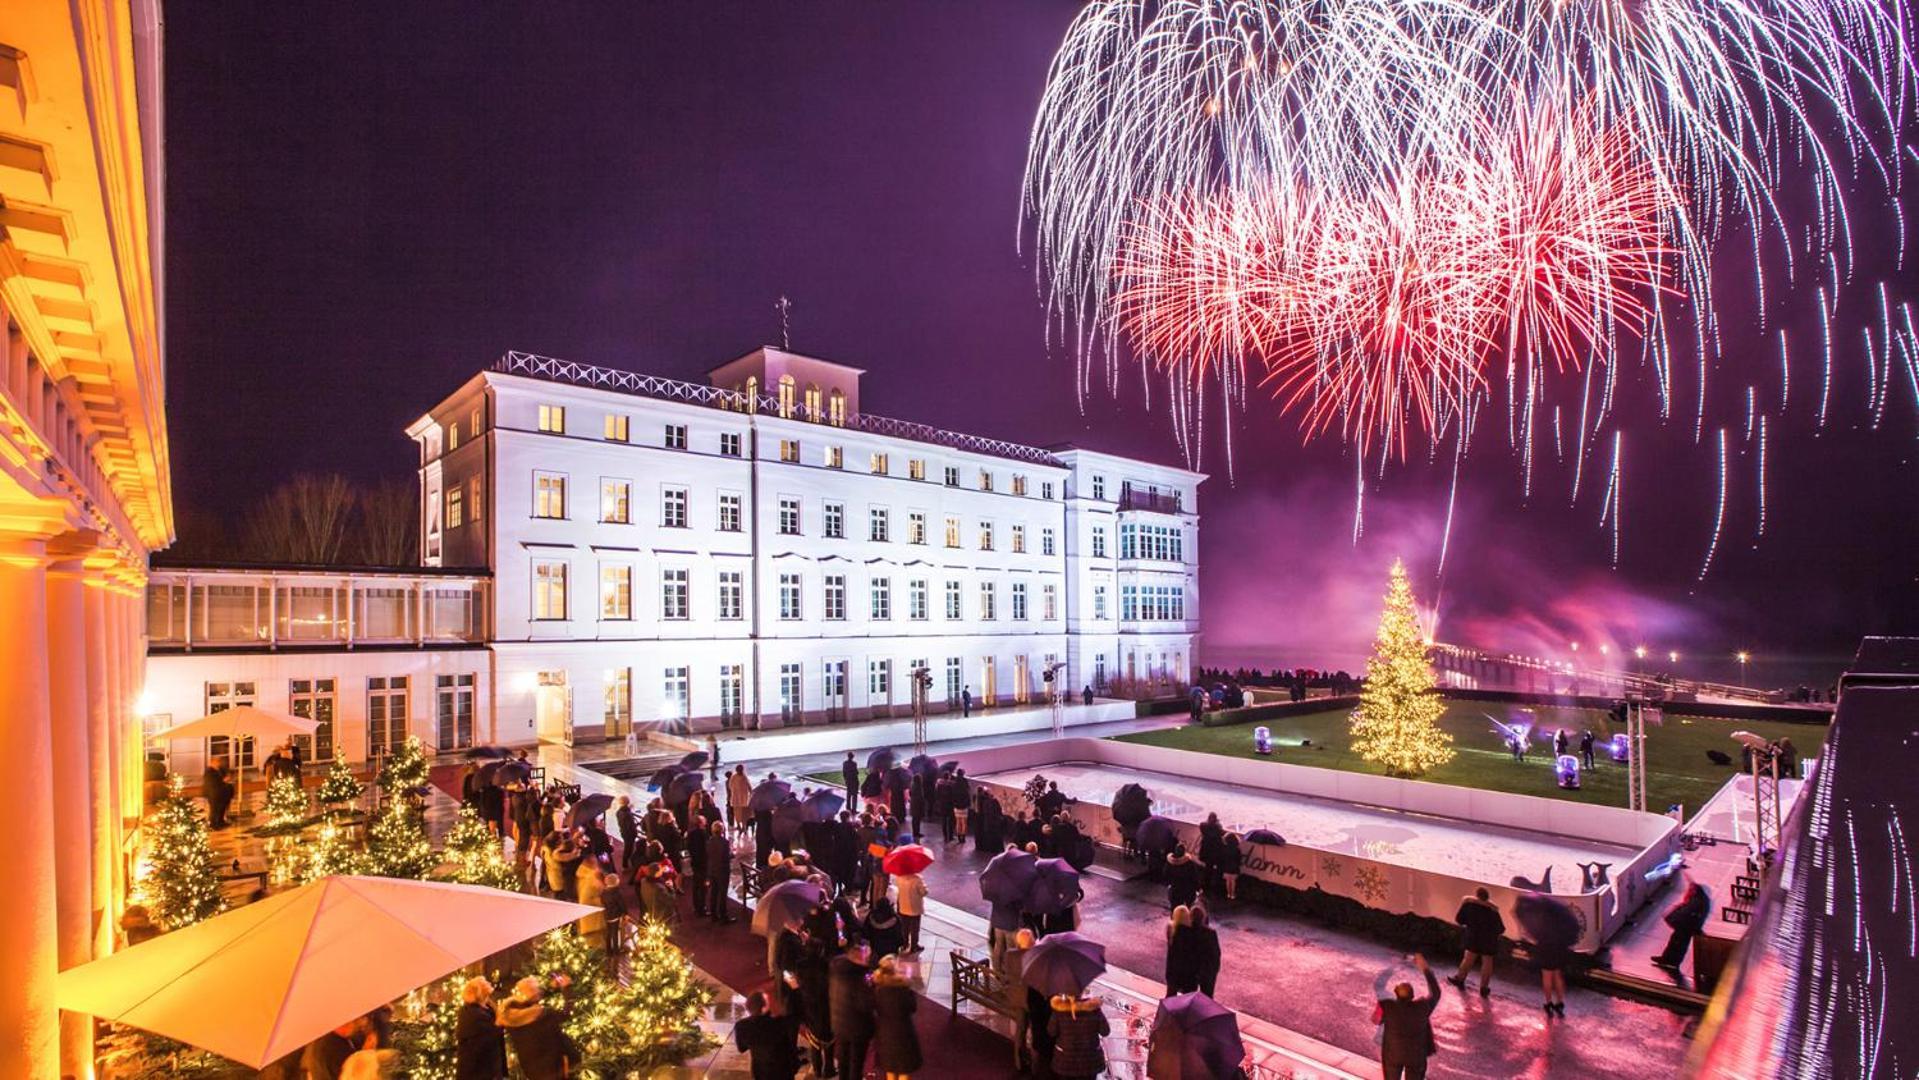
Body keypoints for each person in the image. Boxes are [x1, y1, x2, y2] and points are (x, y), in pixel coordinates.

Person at [1374, 954, 1441, 1080]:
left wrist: (1394, 966)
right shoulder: (1422, 1008)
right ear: (1412, 995)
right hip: (1416, 1056)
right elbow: (1436, 993)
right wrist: (1425, 968)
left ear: (1395, 993)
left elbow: (1379, 985)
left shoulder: (1388, 1006)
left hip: (1392, 1053)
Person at [498, 976, 578, 1080]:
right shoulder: (543, 1015)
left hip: (532, 1071)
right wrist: (567, 989)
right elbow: (567, 1013)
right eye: (537, 990)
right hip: (554, 1070)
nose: (540, 992)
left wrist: (550, 987)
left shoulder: (510, 1017)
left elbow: (529, 1000)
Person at [829, 942, 877, 1080]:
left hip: (839, 1023)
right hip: (857, 1028)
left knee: (843, 1059)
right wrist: (872, 986)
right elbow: (867, 1005)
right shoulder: (858, 979)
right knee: (856, 1062)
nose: (868, 958)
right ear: (859, 957)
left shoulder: (837, 966)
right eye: (866, 955)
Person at [1446, 887, 1505, 998]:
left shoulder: (1469, 905)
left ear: (1476, 895)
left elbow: (1459, 920)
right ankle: (1484, 988)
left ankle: (1460, 979)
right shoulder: (1493, 910)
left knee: (1468, 959)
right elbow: (1501, 929)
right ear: (1488, 898)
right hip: (1489, 941)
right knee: (1487, 963)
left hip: (1473, 937)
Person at [872, 954, 922, 1079]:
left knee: (890, 1067)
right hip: (903, 1032)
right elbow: (912, 1008)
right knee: (904, 1068)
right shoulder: (903, 990)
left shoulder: (878, 990)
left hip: (884, 1033)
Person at [734, 991, 799, 1080]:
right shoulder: (779, 1023)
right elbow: (789, 1046)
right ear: (763, 1008)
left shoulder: (741, 1025)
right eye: (767, 1001)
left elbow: (741, 1048)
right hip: (782, 1070)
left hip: (760, 1070)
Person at [1047, 991, 1110, 1079]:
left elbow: (1051, 1032)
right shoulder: (1094, 1009)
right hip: (1089, 1061)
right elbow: (1105, 1031)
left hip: (1065, 1061)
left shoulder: (1060, 1010)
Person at [454, 977, 507, 1080]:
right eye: (484, 983)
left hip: (489, 1068)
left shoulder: (488, 1007)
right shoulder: (472, 1013)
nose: (488, 983)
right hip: (477, 1071)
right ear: (479, 991)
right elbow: (492, 1034)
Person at [1654, 880, 1711, 972]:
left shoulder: (1696, 901)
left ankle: (1671, 961)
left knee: (1678, 944)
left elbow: (1686, 913)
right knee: (1676, 942)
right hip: (1689, 925)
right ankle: (1668, 959)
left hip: (1687, 926)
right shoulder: (1701, 899)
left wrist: (1674, 918)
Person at [1001, 928, 1037, 1071]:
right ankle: (1034, 1064)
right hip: (1031, 999)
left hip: (1016, 997)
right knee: (1035, 1031)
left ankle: (1018, 1060)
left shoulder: (1010, 955)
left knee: (1020, 1029)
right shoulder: (1033, 957)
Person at [1164, 905, 1200, 994]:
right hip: (1189, 973)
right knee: (1188, 997)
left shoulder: (1172, 931)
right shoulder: (1192, 933)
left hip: (1173, 970)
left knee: (1170, 995)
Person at [704, 820, 734, 923]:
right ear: (722, 830)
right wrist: (732, 854)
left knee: (714, 892)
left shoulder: (709, 842)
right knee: (722, 893)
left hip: (712, 869)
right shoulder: (725, 843)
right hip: (723, 870)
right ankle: (723, 915)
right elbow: (726, 857)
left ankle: (713, 914)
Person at [894, 869, 928, 954]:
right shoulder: (917, 879)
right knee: (915, 928)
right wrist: (925, 887)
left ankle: (905, 944)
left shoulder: (899, 877)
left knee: (905, 927)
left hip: (903, 906)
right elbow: (923, 892)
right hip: (915, 908)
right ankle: (914, 946)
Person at [1191, 904, 1222, 997]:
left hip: (1192, 969)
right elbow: (1216, 953)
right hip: (1207, 970)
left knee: (1189, 996)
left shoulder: (1187, 930)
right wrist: (1214, 970)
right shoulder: (1210, 933)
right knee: (1207, 997)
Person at [1164, 843, 1202, 910]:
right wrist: (1198, 888)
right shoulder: (1189, 863)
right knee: (1189, 907)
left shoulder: (1170, 862)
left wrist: (1168, 884)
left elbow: (1165, 874)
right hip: (1188, 889)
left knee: (1175, 908)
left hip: (1175, 888)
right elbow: (1194, 876)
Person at [202, 756, 234, 829]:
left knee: (222, 808)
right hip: (214, 794)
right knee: (215, 809)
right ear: (212, 762)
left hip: (223, 793)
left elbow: (226, 775)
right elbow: (212, 783)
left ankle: (221, 821)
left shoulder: (219, 769)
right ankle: (214, 824)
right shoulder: (209, 772)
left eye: (219, 762)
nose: (219, 763)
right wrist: (224, 780)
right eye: (217, 762)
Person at [728, 765, 753, 836]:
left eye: (741, 769)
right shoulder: (733, 777)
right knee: (737, 813)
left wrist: (751, 793)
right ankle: (739, 826)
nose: (741, 771)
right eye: (740, 770)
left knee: (744, 814)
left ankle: (744, 827)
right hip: (736, 798)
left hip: (744, 798)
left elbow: (749, 786)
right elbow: (730, 787)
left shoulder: (744, 777)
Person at [1217, 833, 1243, 900]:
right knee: (1233, 881)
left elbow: (1222, 858)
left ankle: (1228, 894)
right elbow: (1239, 859)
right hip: (1234, 867)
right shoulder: (1237, 849)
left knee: (1228, 881)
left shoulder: (1224, 848)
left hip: (1226, 866)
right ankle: (1233, 894)